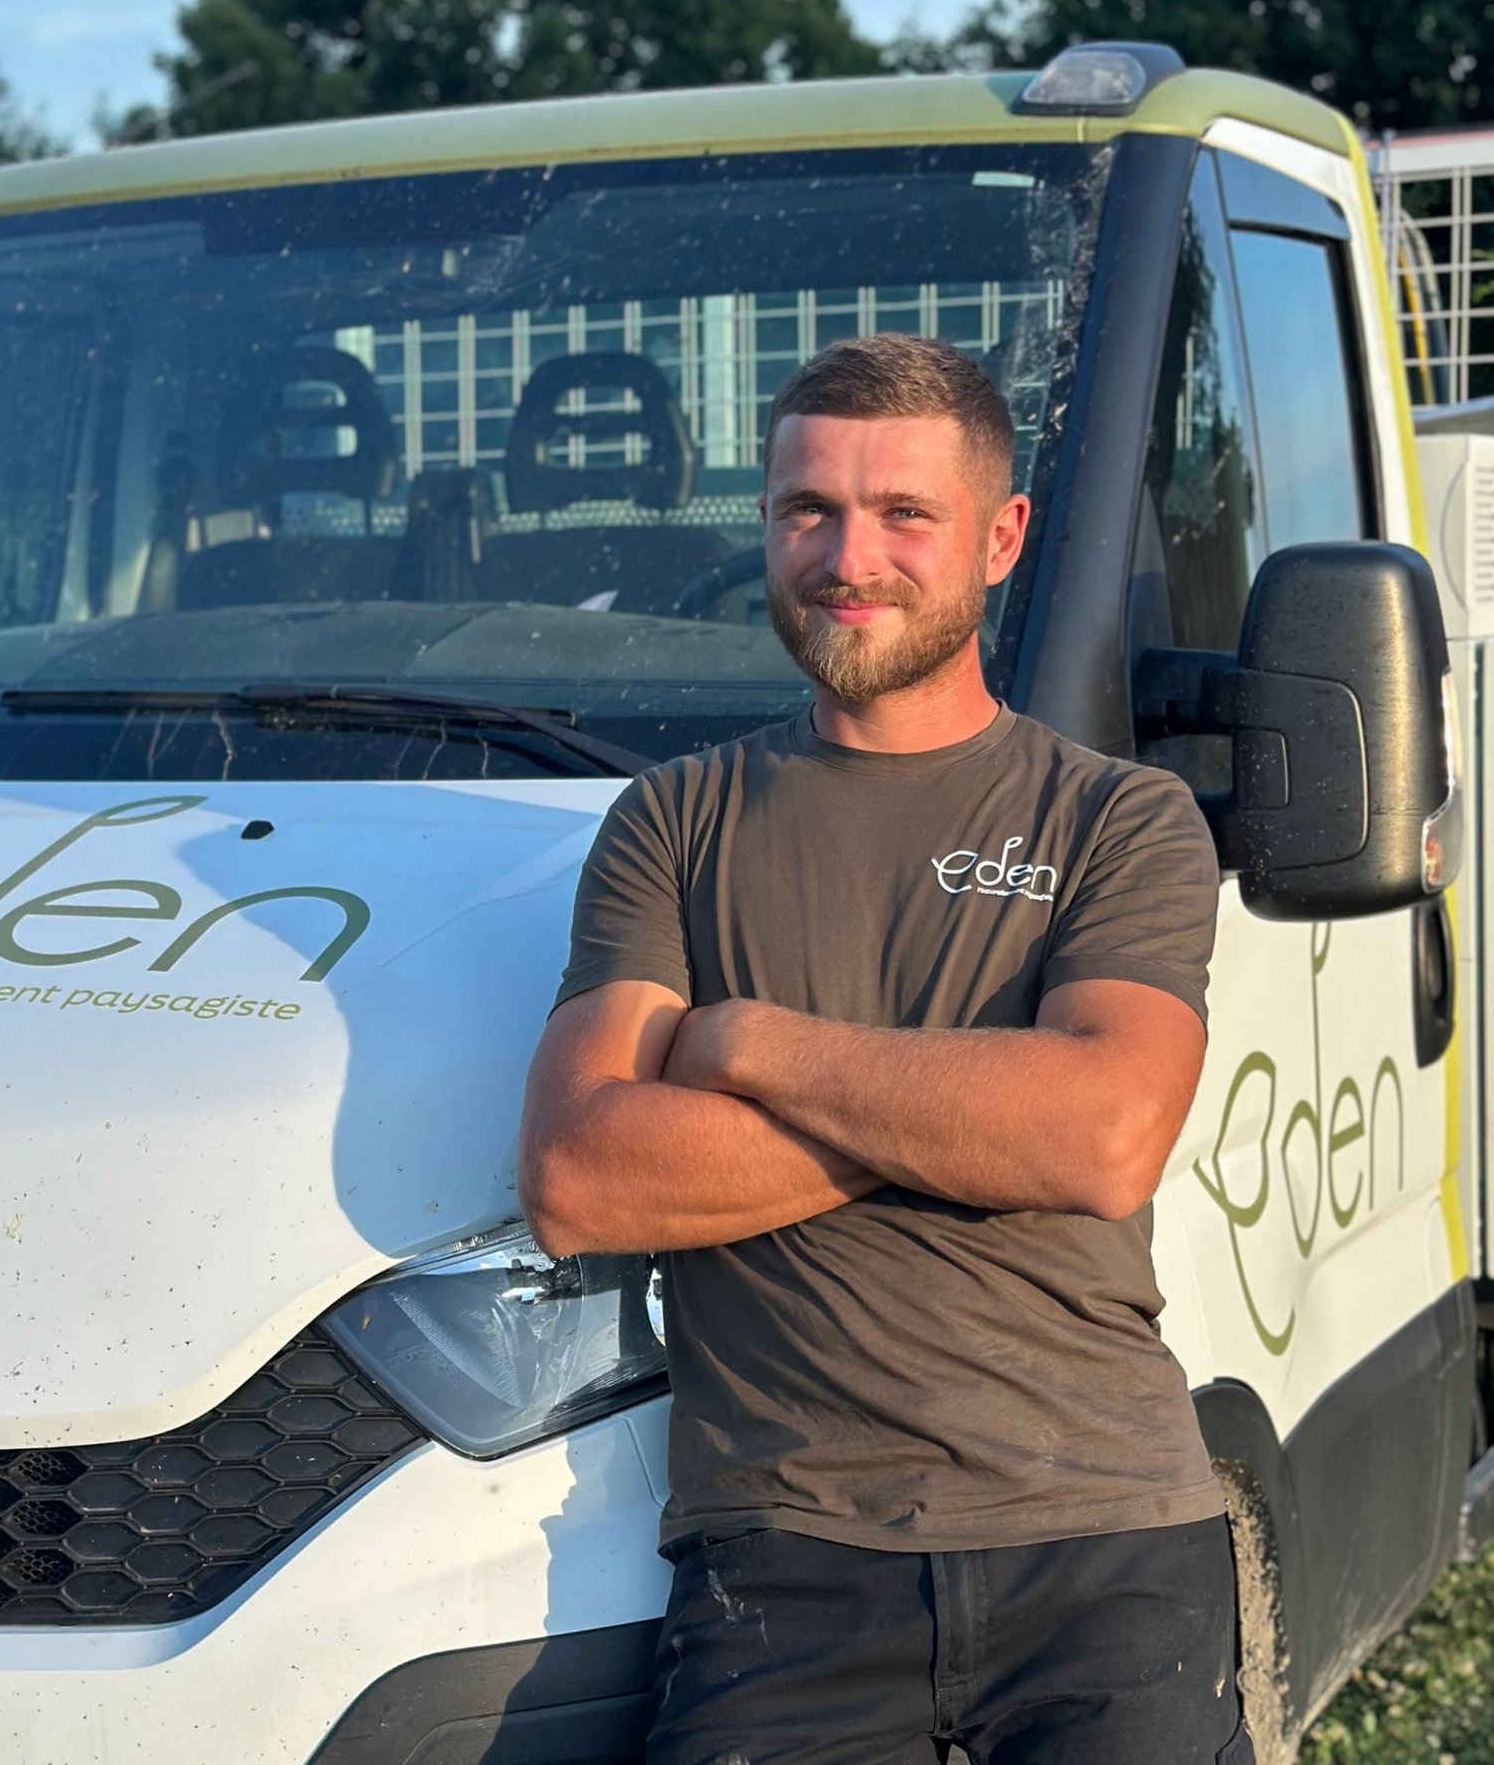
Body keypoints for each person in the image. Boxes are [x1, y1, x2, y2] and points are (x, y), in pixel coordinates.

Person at [517, 333, 1251, 1764]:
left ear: (1001, 538)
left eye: (904, 513)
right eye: (810, 510)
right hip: (784, 1564)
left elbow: (1102, 1138)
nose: (849, 558)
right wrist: (981, 1105)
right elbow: (578, 1177)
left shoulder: (1119, 818)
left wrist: (743, 1039)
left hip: (1102, 1533)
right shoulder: (674, 822)